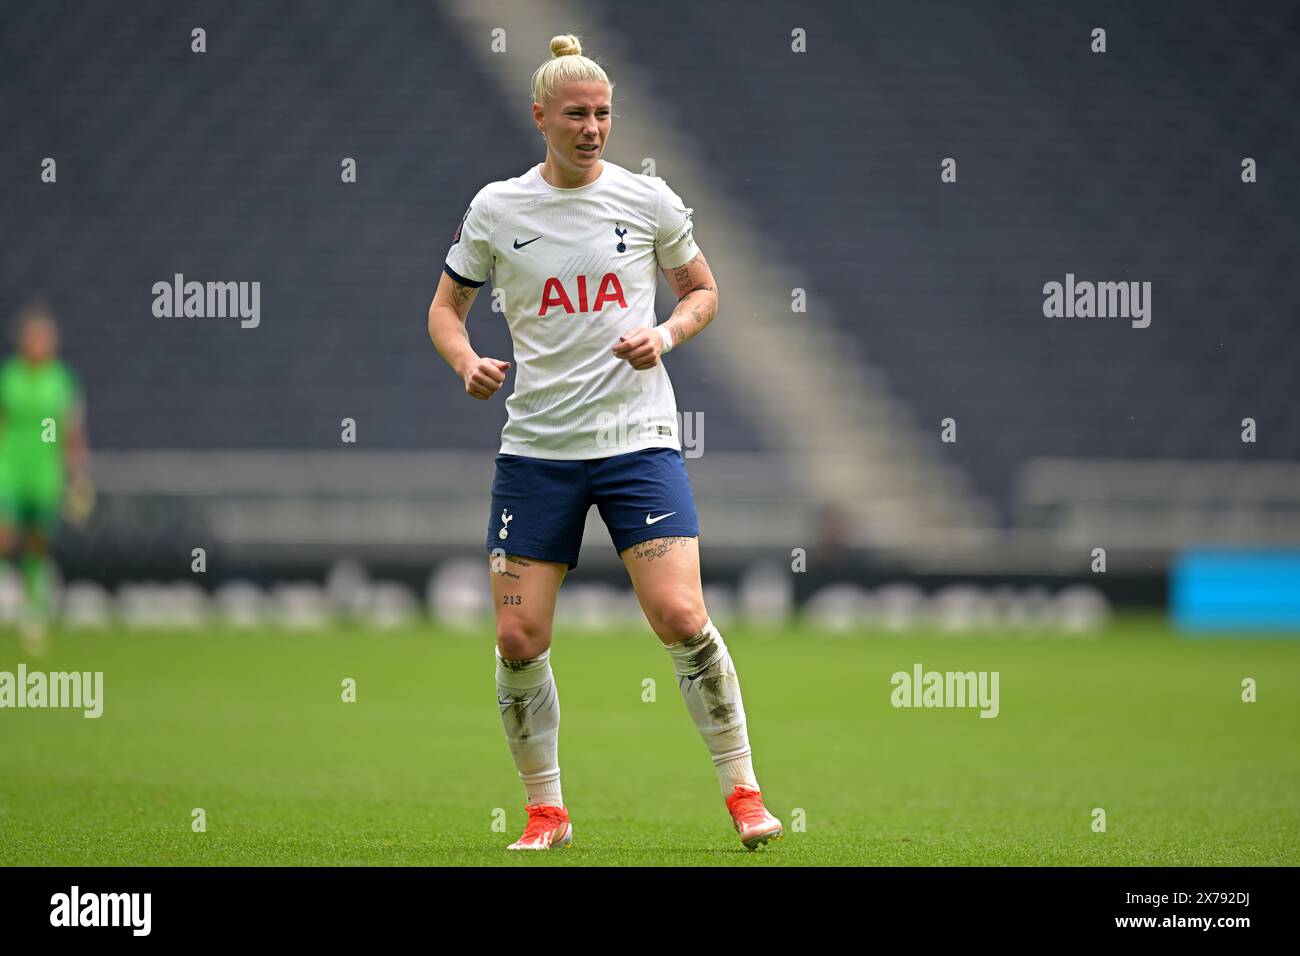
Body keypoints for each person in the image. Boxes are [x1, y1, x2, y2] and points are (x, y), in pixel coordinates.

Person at [427, 34, 782, 851]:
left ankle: (745, 793)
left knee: (681, 613)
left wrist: (667, 334)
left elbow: (703, 291)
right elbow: (446, 309)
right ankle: (546, 811)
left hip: (637, 442)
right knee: (519, 638)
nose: (593, 127)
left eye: (604, 114)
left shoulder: (648, 199)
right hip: (537, 452)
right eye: (577, 114)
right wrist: (466, 361)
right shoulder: (497, 208)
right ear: (540, 117)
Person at [0, 300, 91, 655]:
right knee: (5, 536)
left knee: (37, 544)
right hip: (9, 468)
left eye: (44, 338)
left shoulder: (60, 381)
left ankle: (33, 613)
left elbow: (67, 431)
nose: (39, 344)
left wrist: (77, 474)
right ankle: (11, 593)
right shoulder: (10, 377)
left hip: (44, 473)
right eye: (33, 337)